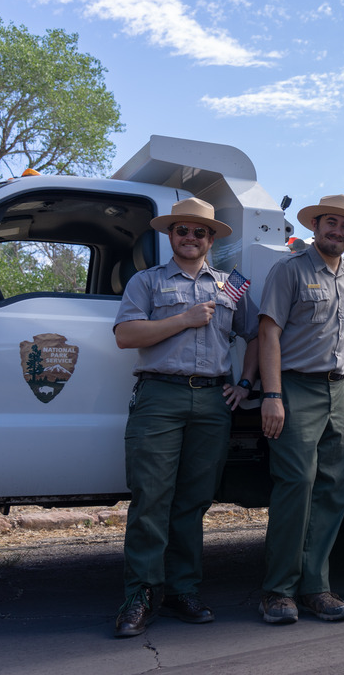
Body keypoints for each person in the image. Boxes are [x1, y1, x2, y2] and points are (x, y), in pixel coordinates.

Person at [112, 197, 259, 637]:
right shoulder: (147, 282)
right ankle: (140, 594)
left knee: (193, 502)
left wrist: (246, 383)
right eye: (182, 230)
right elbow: (125, 335)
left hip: (213, 402)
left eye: (200, 232)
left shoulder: (232, 285)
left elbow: (255, 335)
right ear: (170, 235)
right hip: (160, 396)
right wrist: (184, 319)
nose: (190, 237)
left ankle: (182, 591)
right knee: (150, 499)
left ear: (212, 238)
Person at [256, 194, 344, 624]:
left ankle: (315, 587)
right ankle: (278, 591)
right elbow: (268, 333)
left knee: (330, 490)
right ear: (316, 226)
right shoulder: (289, 270)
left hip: (336, 392)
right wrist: (272, 395)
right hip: (295, 388)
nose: (338, 231)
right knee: (295, 488)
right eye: (331, 223)